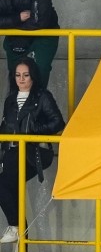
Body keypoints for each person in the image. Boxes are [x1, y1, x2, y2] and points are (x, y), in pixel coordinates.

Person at [0, 57, 64, 245]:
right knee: (12, 192)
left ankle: (14, 227)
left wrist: (34, 129)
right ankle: (20, 236)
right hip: (12, 152)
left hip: (33, 151)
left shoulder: (42, 97)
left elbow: (58, 122)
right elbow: (6, 126)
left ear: (33, 76)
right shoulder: (10, 99)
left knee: (4, 185)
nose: (21, 79)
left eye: (26, 75)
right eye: (18, 75)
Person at [0, 0, 58, 90]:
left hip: (43, 34)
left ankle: (37, 104)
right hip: (15, 34)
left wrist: (9, 23)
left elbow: (41, 21)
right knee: (16, 82)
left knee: (38, 74)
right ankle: (17, 105)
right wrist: (17, 19)